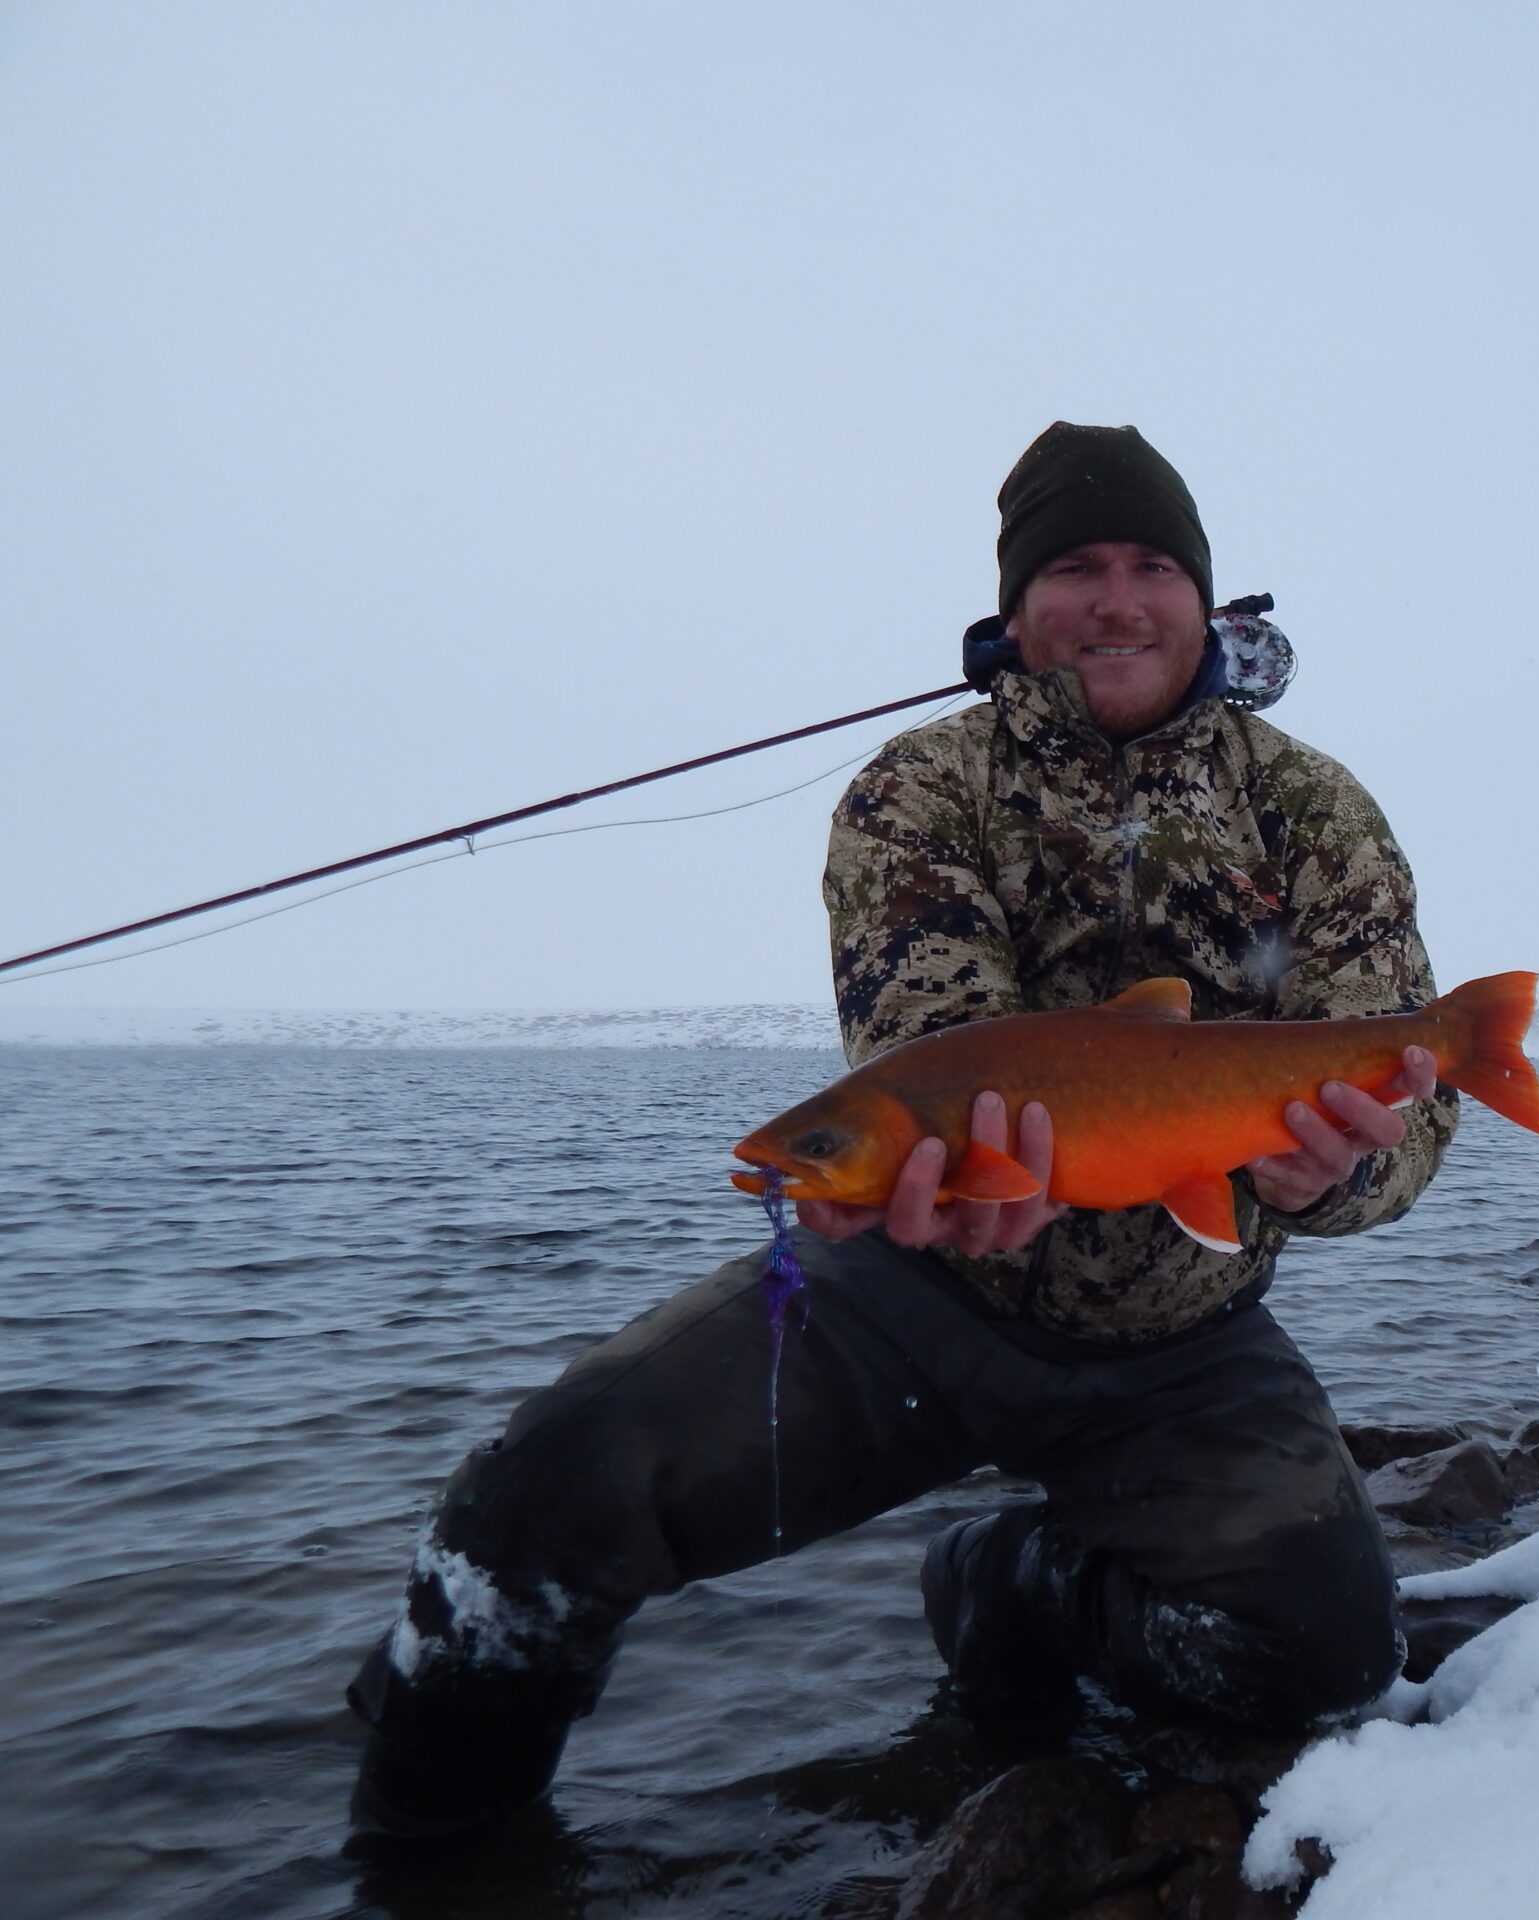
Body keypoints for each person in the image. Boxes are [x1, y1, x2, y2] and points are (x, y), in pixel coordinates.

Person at [343, 422, 1459, 1839]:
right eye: (1074, 567)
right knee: (539, 1499)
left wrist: (1343, 1174)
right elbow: (924, 1063)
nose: (1117, 600)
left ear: (1204, 598)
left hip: (1190, 1341)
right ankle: (431, 1858)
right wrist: (948, 1184)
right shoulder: (921, 788)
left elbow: (1405, 1105)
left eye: (1152, 566)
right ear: (1013, 610)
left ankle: (1015, 1581)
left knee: (1320, 1667)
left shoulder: (1312, 807)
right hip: (914, 1300)